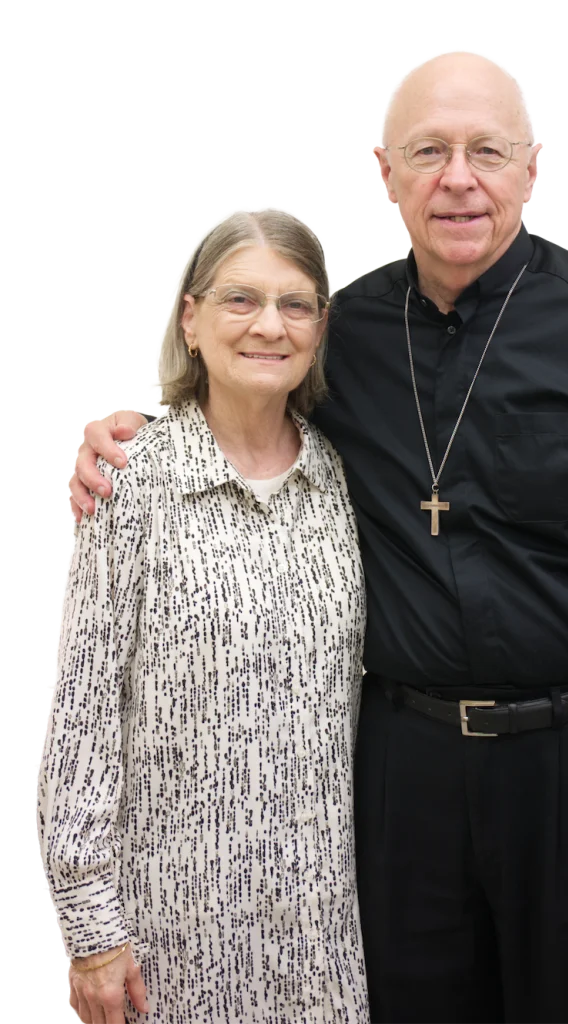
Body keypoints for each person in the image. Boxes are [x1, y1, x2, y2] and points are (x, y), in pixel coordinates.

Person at [68, 51, 568, 1024]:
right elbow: (247, 391)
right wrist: (134, 435)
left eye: (485, 152)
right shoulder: (343, 330)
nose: (457, 178)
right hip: (400, 775)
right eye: (428, 152)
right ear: (385, 171)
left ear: (530, 167)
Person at [40, 208, 369, 1023]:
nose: (269, 326)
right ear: (190, 318)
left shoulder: (340, 479)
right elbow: (82, 717)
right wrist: (90, 930)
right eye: (240, 299)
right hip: (170, 935)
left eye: (295, 305)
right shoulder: (133, 481)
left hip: (319, 932)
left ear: (320, 328)